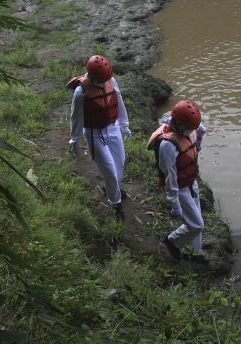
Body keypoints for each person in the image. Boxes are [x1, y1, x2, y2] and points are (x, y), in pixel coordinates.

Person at [67, 55, 132, 220]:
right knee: (109, 171)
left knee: (120, 163)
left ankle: (110, 187)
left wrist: (124, 125)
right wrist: (75, 140)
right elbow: (76, 119)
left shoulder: (111, 81)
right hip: (94, 134)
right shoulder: (80, 92)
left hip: (113, 128)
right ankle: (116, 204)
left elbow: (120, 103)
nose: (104, 84)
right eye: (101, 81)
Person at [147, 100, 209, 263]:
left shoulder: (189, 129)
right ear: (179, 125)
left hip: (191, 182)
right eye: (190, 128)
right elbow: (170, 176)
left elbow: (197, 143)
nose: (192, 131)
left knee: (198, 218)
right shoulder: (168, 144)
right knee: (197, 224)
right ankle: (172, 241)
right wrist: (174, 202)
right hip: (180, 188)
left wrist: (200, 135)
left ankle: (197, 253)